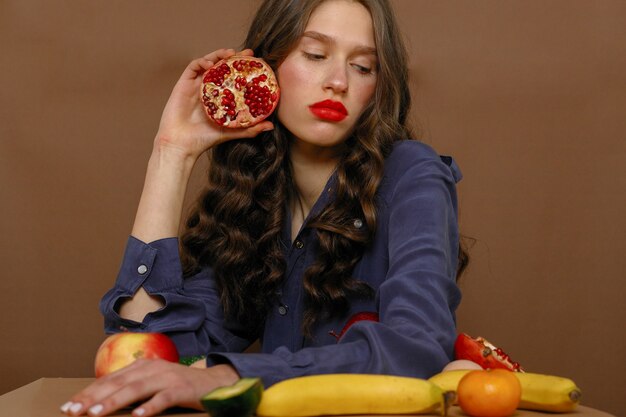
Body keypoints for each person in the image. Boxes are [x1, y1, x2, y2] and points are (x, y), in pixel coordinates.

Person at [61, 0, 467, 416]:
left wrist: (226, 375)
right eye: (314, 55)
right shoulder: (258, 203)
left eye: (363, 67)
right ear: (266, 66)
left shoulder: (413, 174)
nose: (338, 82)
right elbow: (152, 352)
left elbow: (419, 346)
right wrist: (171, 155)